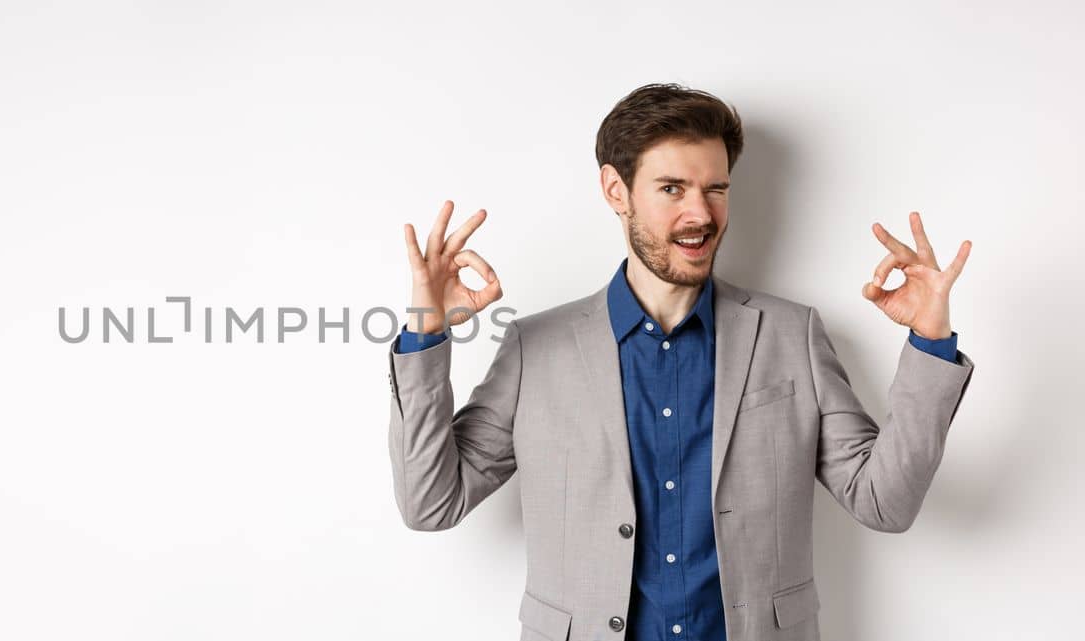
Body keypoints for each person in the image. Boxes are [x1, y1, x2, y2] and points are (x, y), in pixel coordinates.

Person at [384, 83, 974, 641]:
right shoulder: (535, 349)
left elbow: (884, 503)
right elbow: (432, 503)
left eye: (715, 189)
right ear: (617, 191)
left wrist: (930, 340)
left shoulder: (793, 335)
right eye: (672, 189)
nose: (701, 213)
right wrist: (425, 329)